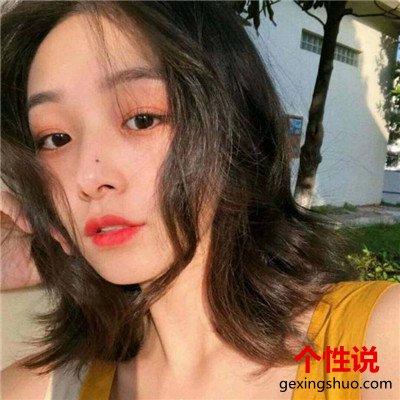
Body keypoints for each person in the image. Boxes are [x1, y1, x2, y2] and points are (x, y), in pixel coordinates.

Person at [1, 1, 399, 399]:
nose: (88, 178)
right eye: (55, 139)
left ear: (232, 129)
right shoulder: (48, 387)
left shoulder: (377, 344)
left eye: (142, 120)